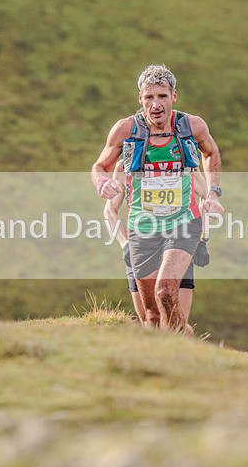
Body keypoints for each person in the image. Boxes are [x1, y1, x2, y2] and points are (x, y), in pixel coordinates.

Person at [92, 64, 224, 334]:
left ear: (173, 97)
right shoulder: (125, 130)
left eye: (162, 96)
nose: (156, 104)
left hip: (183, 223)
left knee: (165, 290)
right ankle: (184, 342)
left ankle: (180, 345)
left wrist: (213, 193)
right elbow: (99, 166)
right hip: (143, 228)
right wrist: (102, 183)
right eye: (149, 97)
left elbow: (211, 154)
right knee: (152, 317)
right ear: (139, 98)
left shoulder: (191, 126)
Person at [104, 160, 207, 336]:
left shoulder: (183, 160)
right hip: (141, 245)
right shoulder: (125, 165)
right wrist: (125, 244)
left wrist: (202, 239)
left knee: (176, 322)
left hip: (177, 242)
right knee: (151, 321)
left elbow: (206, 195)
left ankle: (184, 358)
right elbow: (110, 210)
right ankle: (161, 360)